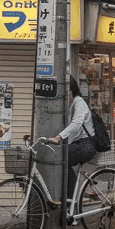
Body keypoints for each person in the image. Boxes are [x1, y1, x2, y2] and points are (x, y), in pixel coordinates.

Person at [48, 75, 95, 207]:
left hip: (86, 145)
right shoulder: (72, 104)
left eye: (64, 92)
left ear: (70, 91)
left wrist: (59, 137)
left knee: (61, 158)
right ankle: (70, 202)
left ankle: (69, 204)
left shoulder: (79, 103)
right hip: (79, 144)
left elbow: (76, 124)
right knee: (62, 161)